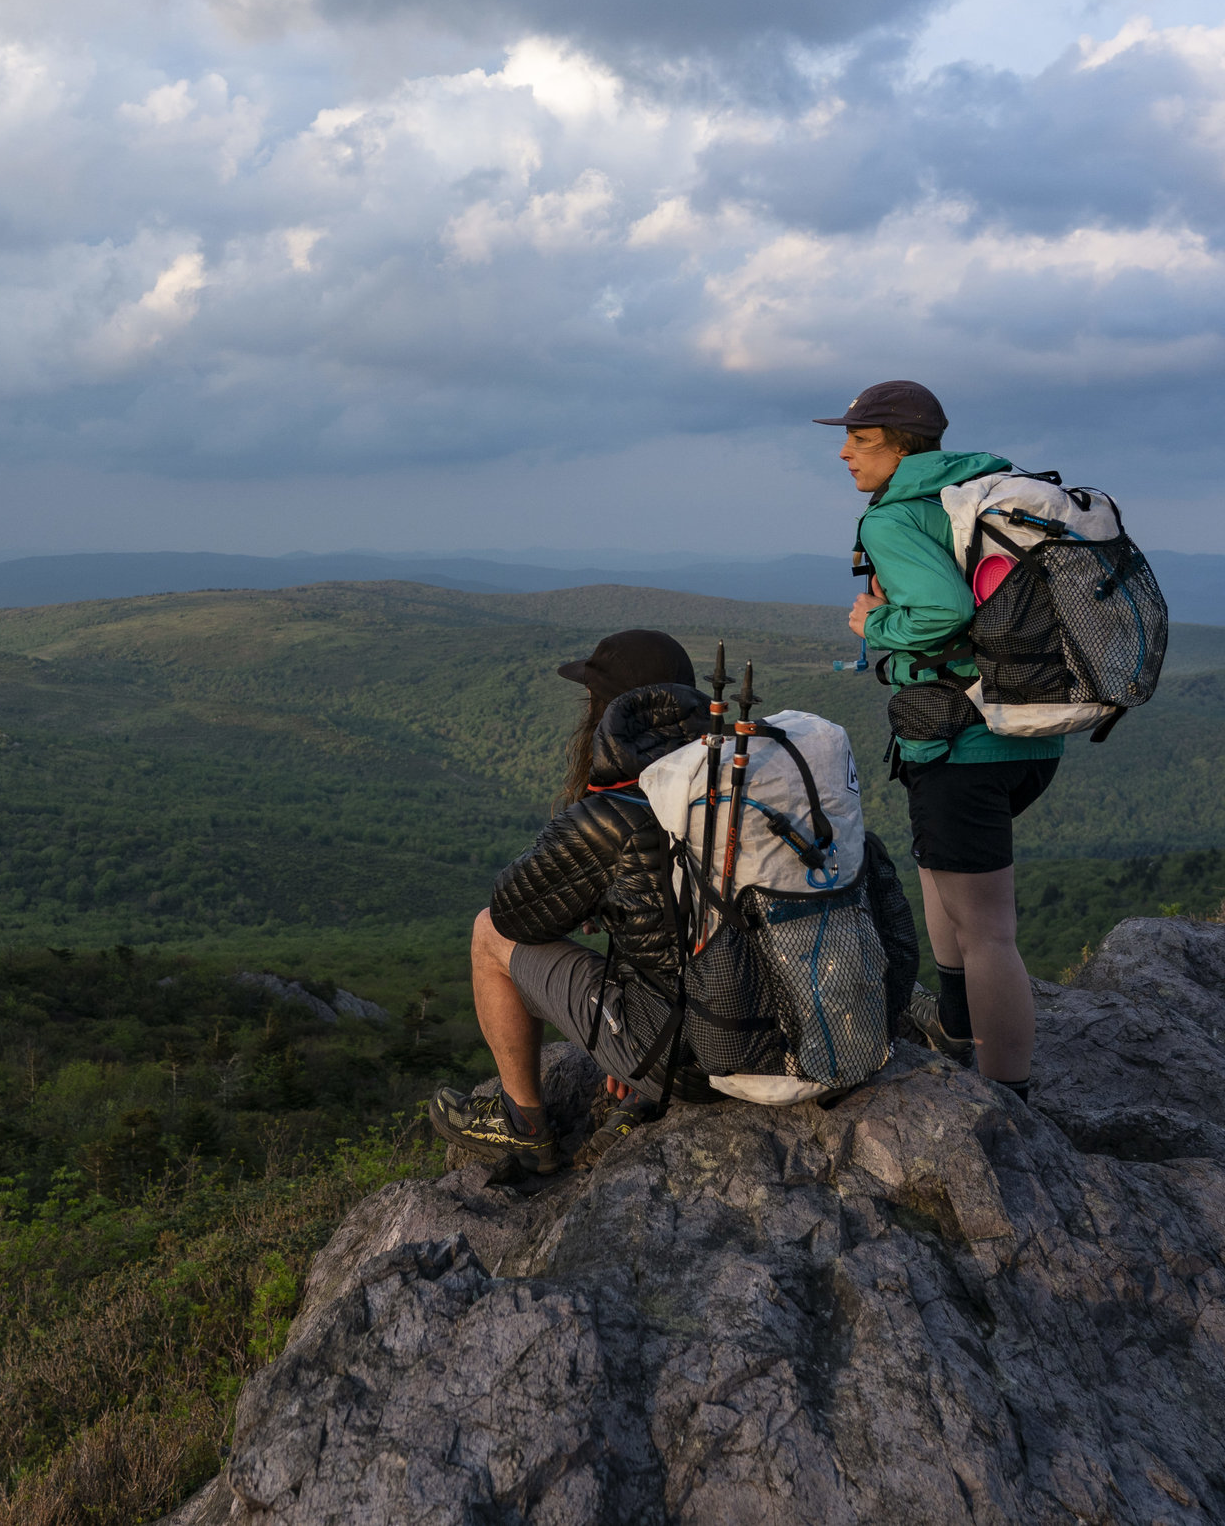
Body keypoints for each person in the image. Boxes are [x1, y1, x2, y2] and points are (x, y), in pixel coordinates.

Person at [426, 630, 917, 1171]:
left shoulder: (614, 811)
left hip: (694, 1062)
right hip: (801, 1028)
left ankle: (523, 1128)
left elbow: (514, 912)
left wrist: (599, 902)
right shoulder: (739, 783)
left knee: (486, 935)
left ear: (609, 709)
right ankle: (641, 1060)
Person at [819, 379, 1061, 1101]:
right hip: (1025, 732)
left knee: (988, 930)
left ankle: (1007, 1095)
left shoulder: (895, 519)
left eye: (860, 442)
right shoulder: (979, 491)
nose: (844, 453)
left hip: (965, 746)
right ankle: (957, 1030)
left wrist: (875, 626)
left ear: (901, 446)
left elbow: (946, 610)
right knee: (939, 876)